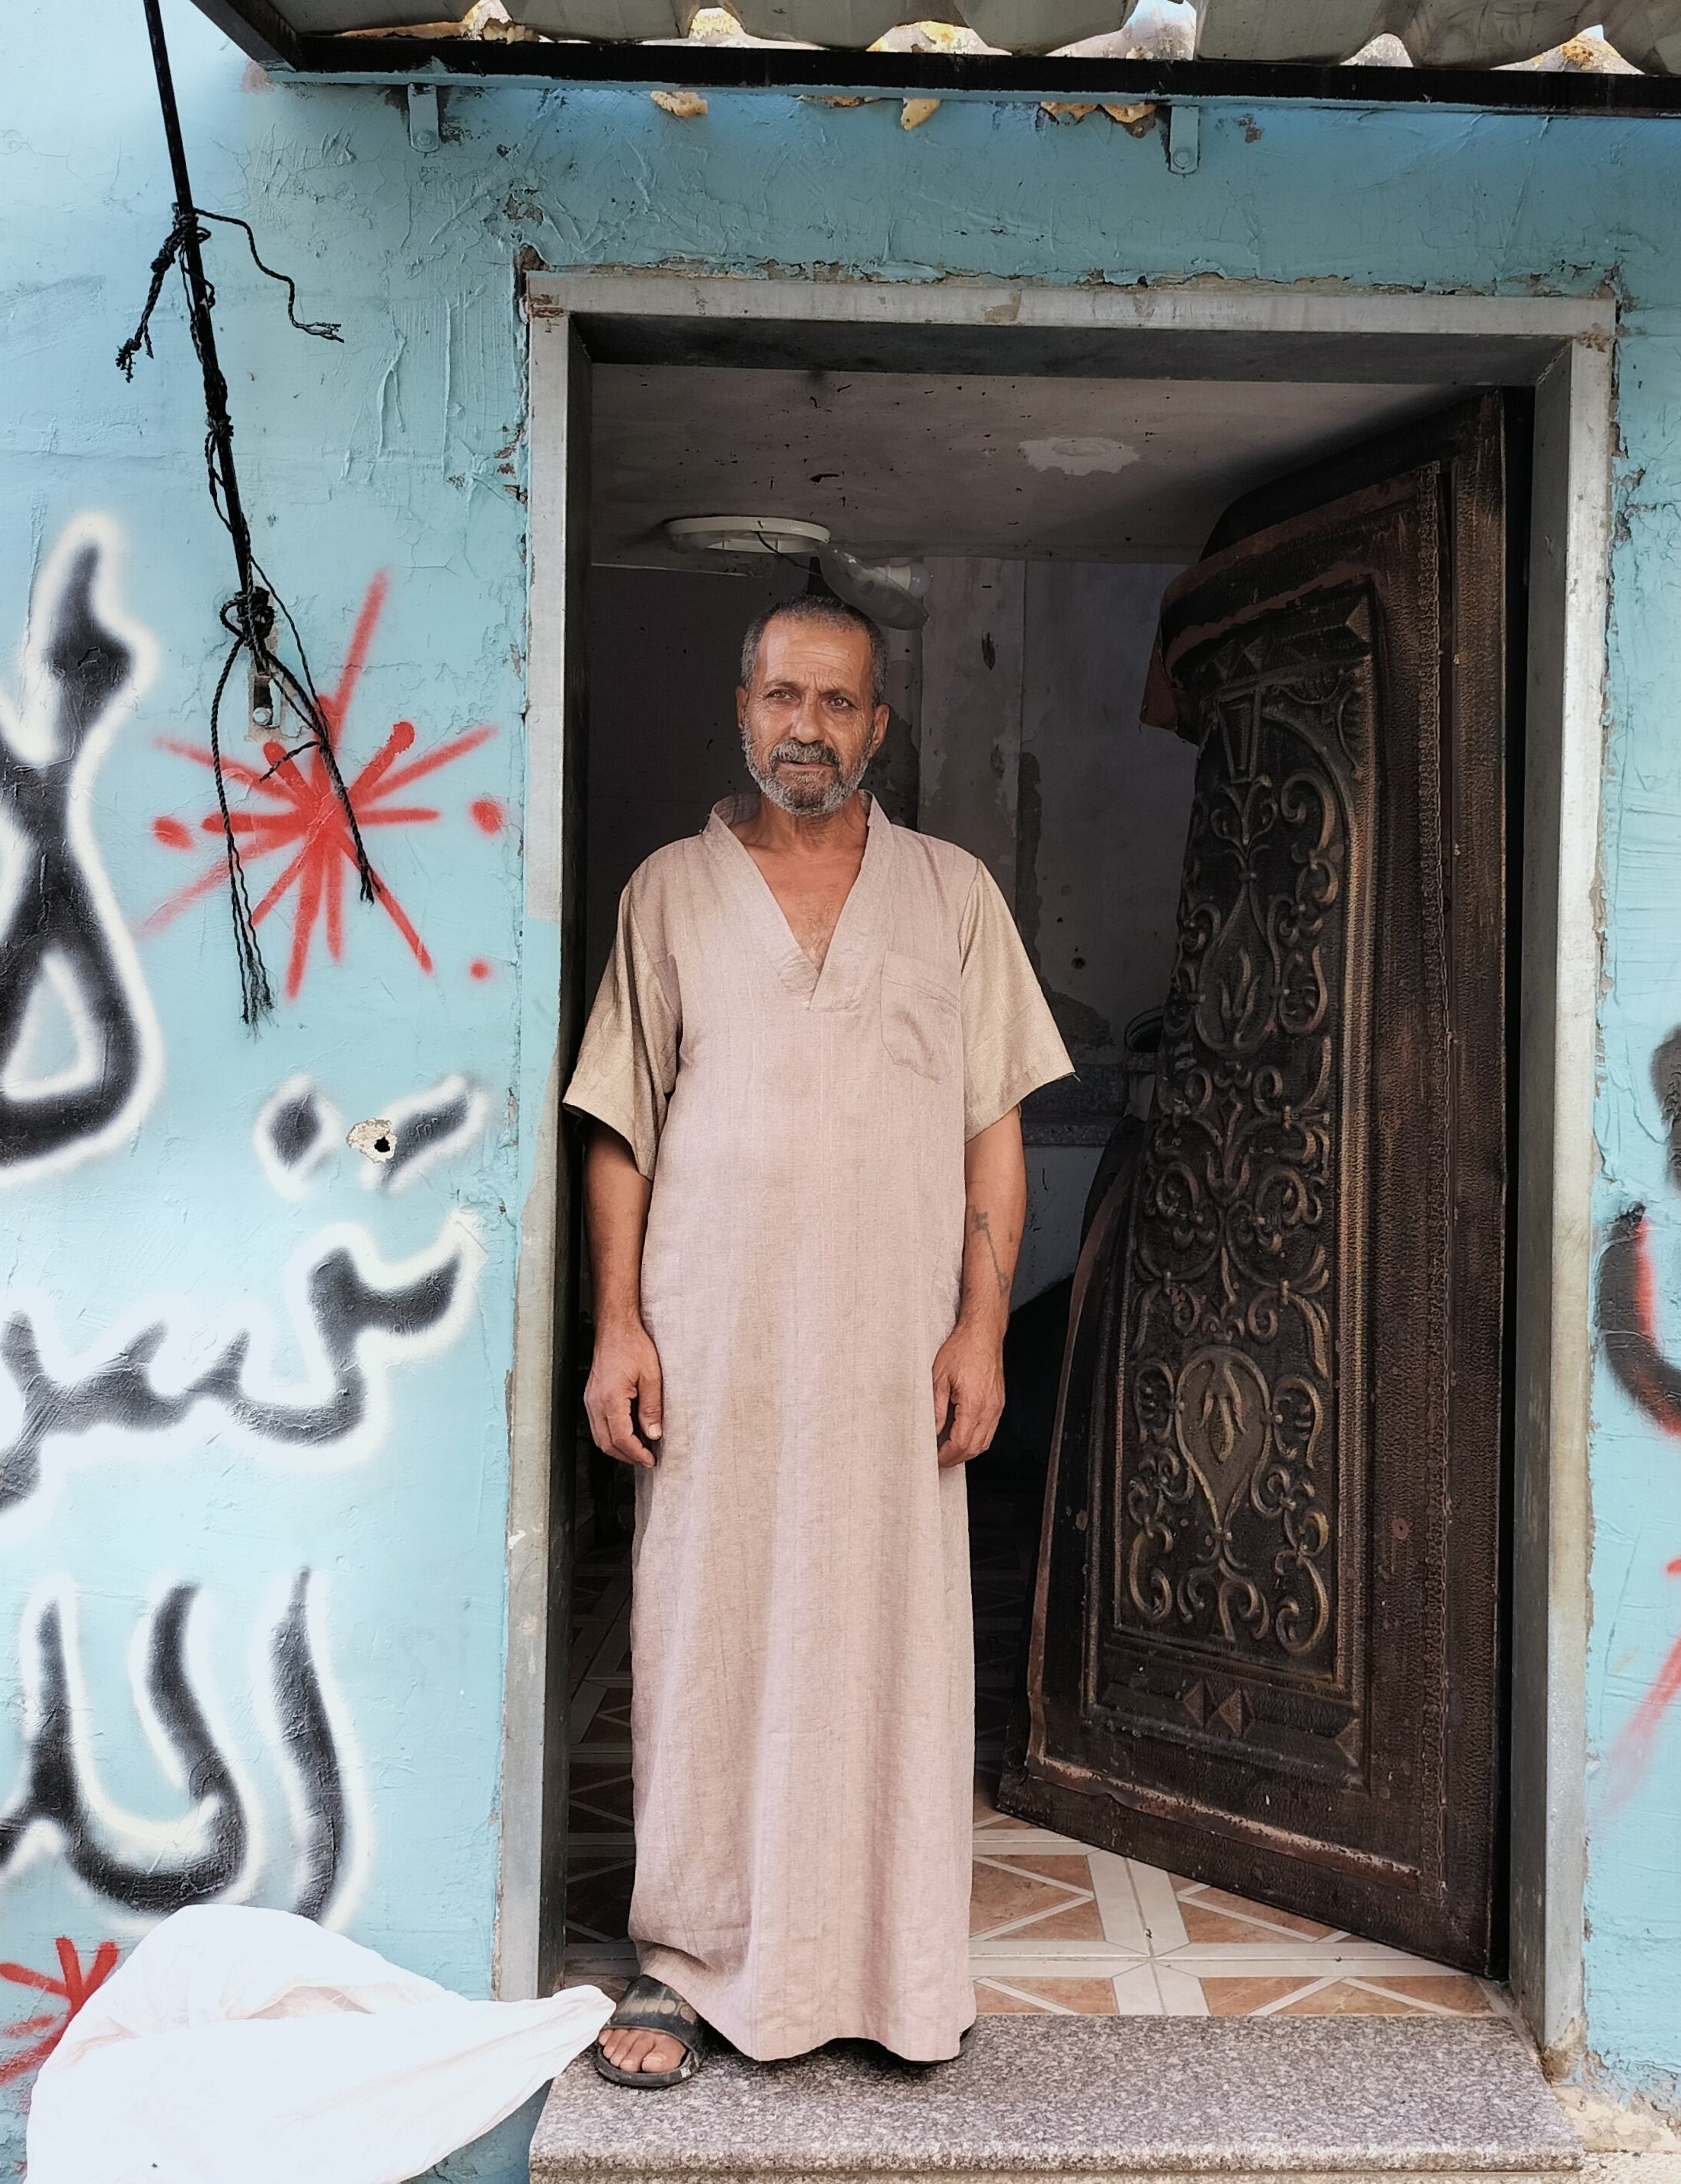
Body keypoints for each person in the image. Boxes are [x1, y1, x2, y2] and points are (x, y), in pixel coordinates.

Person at [564, 594, 1072, 2088]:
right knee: (699, 1637)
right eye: (783, 696)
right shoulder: (665, 893)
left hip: (887, 1356)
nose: (807, 727)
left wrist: (982, 1328)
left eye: (837, 702)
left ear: (877, 725)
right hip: (713, 1346)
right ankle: (679, 1958)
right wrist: (618, 1327)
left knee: (883, 1652)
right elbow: (620, 1130)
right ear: (741, 706)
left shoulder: (952, 892)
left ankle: (892, 1971)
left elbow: (995, 1136)